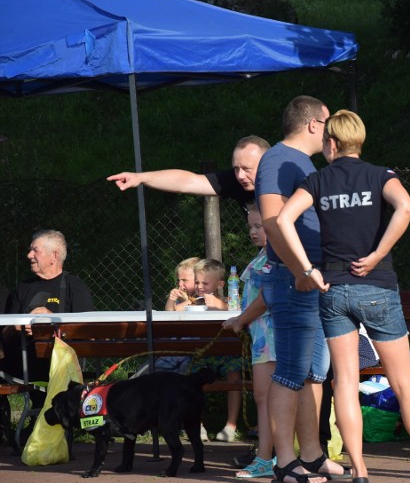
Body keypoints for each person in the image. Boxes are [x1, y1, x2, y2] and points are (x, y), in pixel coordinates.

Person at [276, 108, 410, 483]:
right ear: (359, 140)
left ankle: (359, 473)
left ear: (330, 143)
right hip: (377, 286)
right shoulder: (381, 175)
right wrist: (379, 253)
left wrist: (307, 269)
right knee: (404, 381)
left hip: (333, 287)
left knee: (344, 381)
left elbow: (281, 220)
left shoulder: (317, 180)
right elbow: (406, 207)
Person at [255, 95, 348, 483]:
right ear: (313, 124)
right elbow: (274, 221)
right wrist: (301, 271)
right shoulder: (277, 160)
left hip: (309, 278)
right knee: (290, 371)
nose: (330, 131)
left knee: (310, 373)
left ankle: (310, 453)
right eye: (327, 123)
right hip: (295, 279)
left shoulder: (300, 162)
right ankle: (285, 462)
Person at [222, 203, 277, 477]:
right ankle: (270, 455)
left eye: (259, 227)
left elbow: (266, 298)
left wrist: (240, 320)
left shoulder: (273, 258)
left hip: (271, 336)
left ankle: (268, 456)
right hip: (261, 337)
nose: (253, 232)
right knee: (263, 396)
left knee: (266, 397)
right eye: (250, 227)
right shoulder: (263, 256)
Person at [1, 230, 95, 385]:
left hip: (60, 364)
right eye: (30, 250)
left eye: (35, 250)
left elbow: (87, 334)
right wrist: (15, 328)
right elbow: (5, 337)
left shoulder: (75, 286)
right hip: (22, 362)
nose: (29, 255)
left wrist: (51, 321)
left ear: (54, 256)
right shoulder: (23, 287)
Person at [107, 136, 271, 212]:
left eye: (247, 169)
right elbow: (187, 182)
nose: (240, 176)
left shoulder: (287, 183)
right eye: (236, 168)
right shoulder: (236, 182)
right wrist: (141, 177)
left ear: (267, 164)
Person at [192, 258, 243, 442]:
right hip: (203, 355)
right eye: (197, 282)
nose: (199, 286)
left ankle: (231, 425)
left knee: (234, 375)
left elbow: (236, 310)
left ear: (220, 284)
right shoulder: (191, 304)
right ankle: (196, 424)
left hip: (226, 355)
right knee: (192, 377)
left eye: (205, 283)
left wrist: (218, 306)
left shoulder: (227, 300)